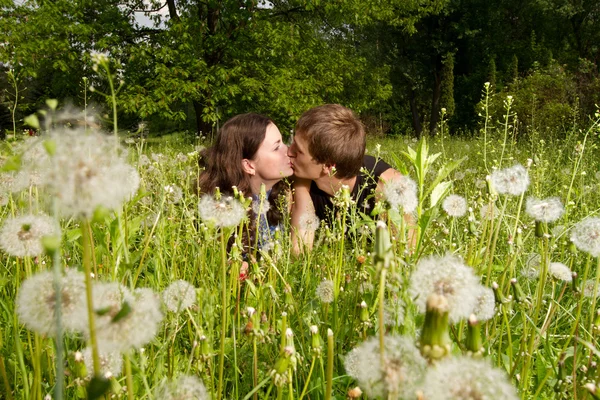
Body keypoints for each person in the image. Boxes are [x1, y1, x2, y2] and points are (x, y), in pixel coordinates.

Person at [287, 104, 412, 253]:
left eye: (298, 151)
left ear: (327, 166)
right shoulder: (298, 178)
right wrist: (300, 187)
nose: (288, 151)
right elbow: (299, 255)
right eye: (292, 143)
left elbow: (408, 252)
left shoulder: (387, 186)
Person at [198, 113, 293, 249]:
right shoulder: (227, 216)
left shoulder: (285, 193)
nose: (288, 150)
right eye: (276, 147)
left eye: (283, 142)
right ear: (248, 166)